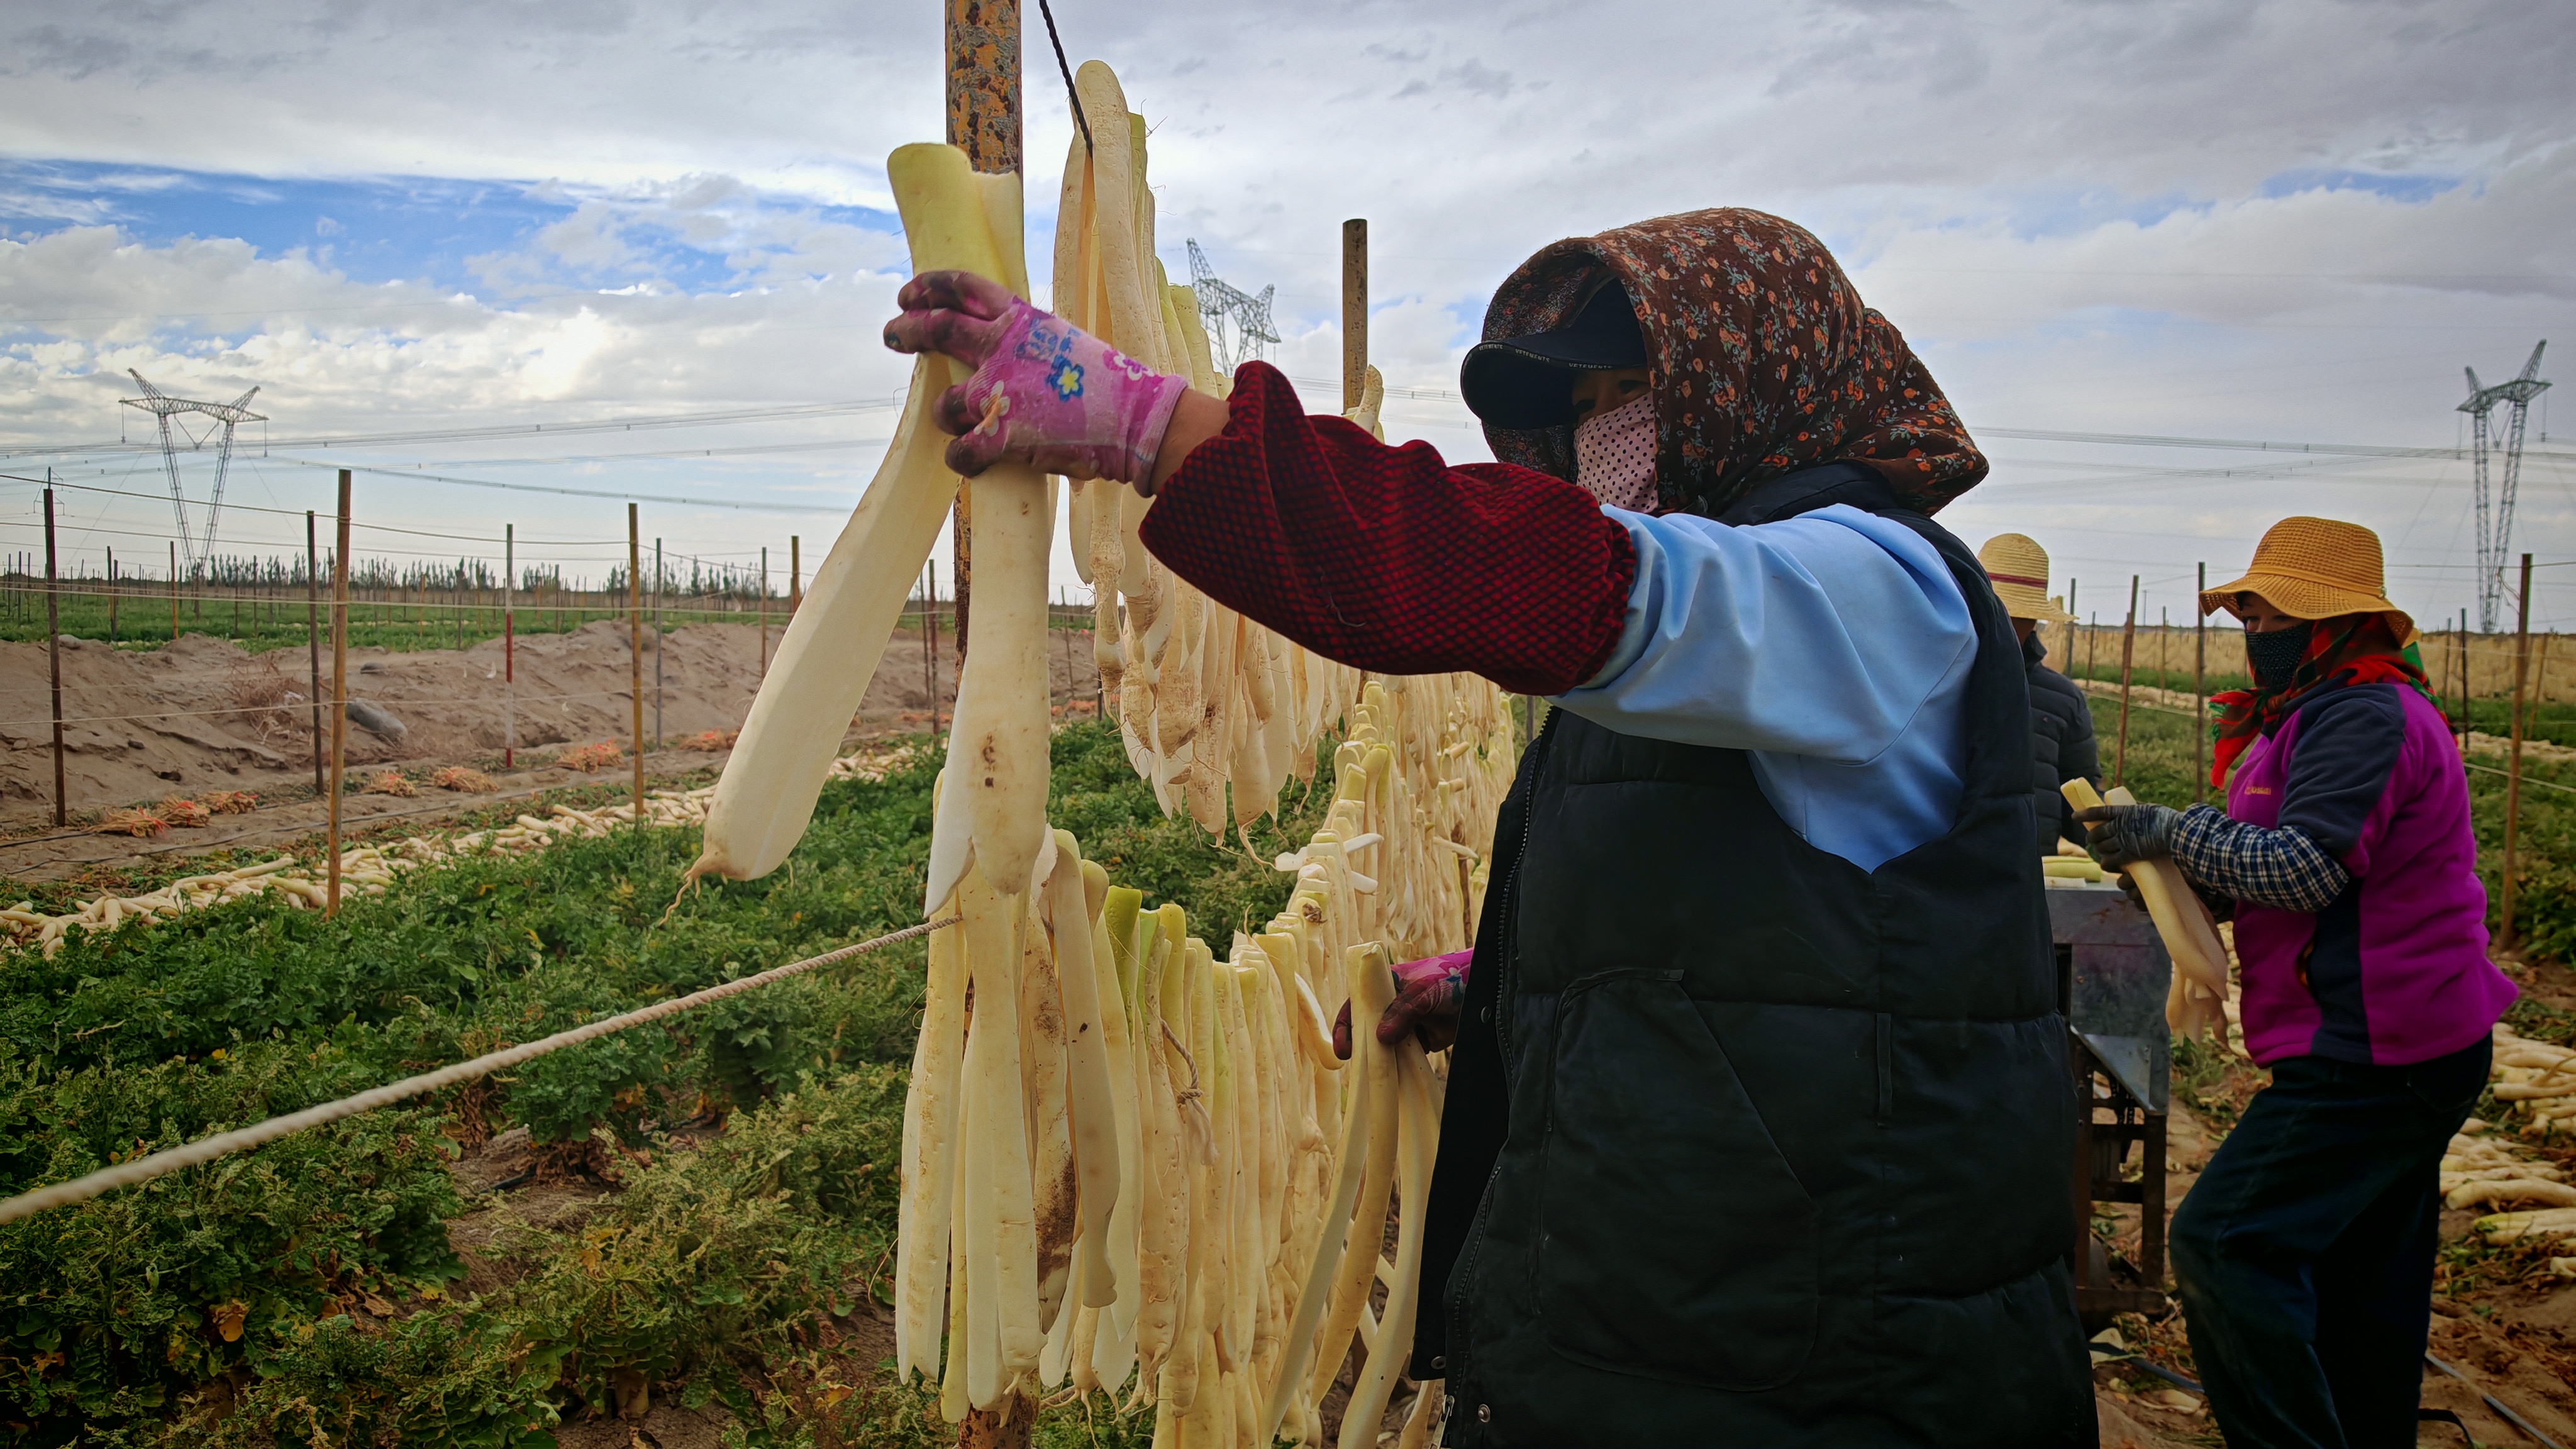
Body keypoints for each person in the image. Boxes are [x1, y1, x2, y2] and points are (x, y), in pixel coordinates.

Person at [887, 208, 2095, 1446]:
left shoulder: (1868, 585)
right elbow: (1744, 909)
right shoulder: (1725, 635)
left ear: (1748, 380)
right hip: (1671, 1320)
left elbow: (1548, 578)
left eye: (1633, 392)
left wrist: (1160, 431)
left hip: (1825, 1365)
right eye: (1584, 402)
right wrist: (1495, 988)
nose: (1601, 432)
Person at [2077, 516, 2514, 1448]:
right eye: (2248, 616)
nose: (2256, 633)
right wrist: (2170, 878)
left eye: (2273, 617)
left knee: (2223, 1243)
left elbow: (2306, 869)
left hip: (2381, 1046)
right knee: (2364, 1284)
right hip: (2402, 1036)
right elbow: (2276, 872)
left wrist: (2171, 832)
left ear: (2332, 626)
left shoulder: (2364, 717)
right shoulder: (2311, 717)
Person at [1977, 533, 2098, 858]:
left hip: (2034, 871)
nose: (2008, 627)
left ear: (2034, 623)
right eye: (2000, 614)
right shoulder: (1935, 682)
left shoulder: (2063, 699)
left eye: (2021, 618)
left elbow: (2082, 794)